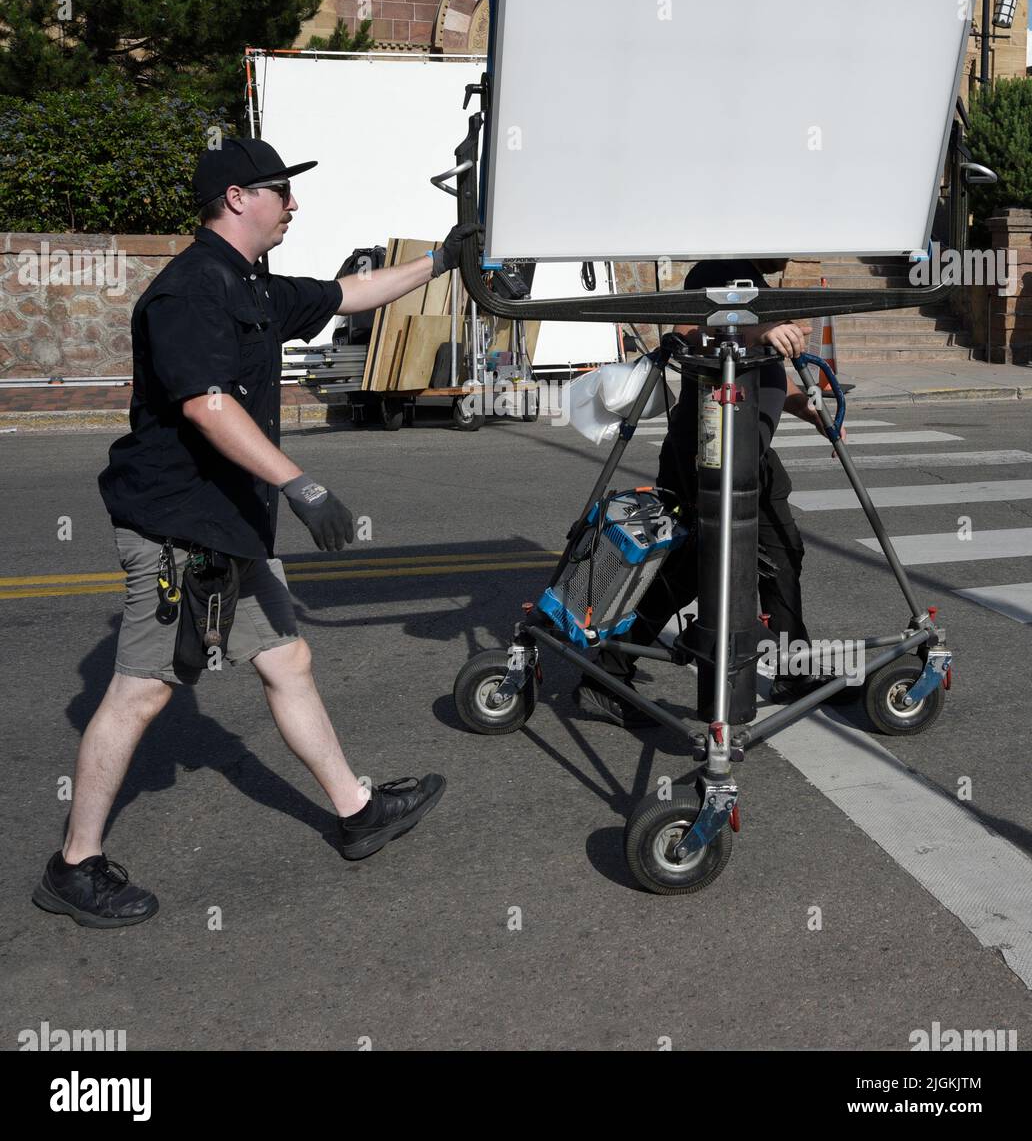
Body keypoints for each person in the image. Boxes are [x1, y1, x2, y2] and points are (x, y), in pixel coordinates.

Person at [33, 136, 477, 928]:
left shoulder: (251, 281)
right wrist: (299, 482)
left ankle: (355, 810)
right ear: (237, 197)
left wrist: (443, 261)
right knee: (139, 693)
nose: (293, 203)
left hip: (229, 524)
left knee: (288, 657)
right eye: (280, 189)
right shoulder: (189, 291)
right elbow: (205, 403)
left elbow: (349, 294)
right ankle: (74, 865)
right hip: (177, 526)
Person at [575, 258, 836, 727]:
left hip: (751, 456)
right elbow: (687, 334)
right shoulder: (717, 268)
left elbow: (765, 372)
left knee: (783, 553)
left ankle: (793, 670)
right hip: (708, 453)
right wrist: (760, 332)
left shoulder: (757, 283)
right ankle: (604, 677)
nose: (792, 251)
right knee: (692, 570)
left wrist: (808, 408)